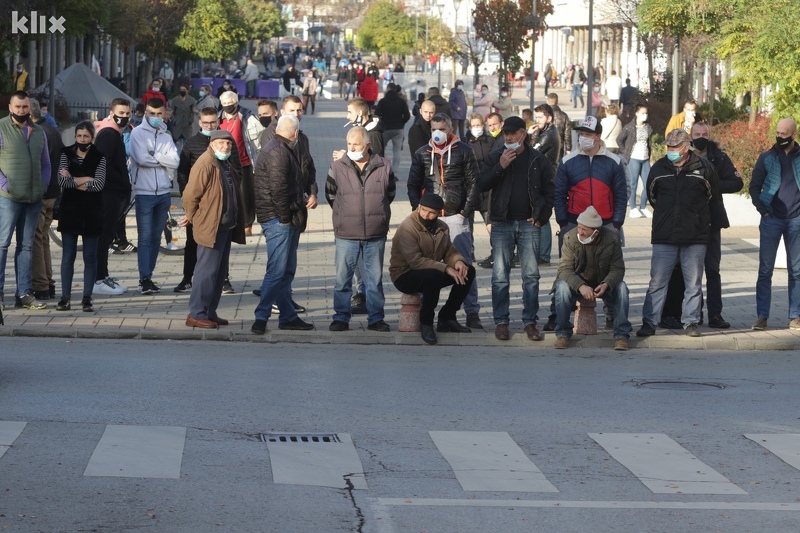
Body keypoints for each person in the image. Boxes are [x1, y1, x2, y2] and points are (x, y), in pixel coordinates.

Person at [636, 129, 722, 338]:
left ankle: (691, 322)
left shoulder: (704, 168)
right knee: (657, 282)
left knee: (693, 283)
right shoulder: (659, 168)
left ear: (686, 147)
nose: (670, 150)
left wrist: (696, 219)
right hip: (664, 236)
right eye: (668, 147)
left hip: (695, 237)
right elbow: (652, 196)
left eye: (674, 147)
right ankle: (649, 322)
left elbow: (712, 198)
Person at [659, 122, 743, 330]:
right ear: (690, 137)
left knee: (712, 269)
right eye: (697, 134)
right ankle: (677, 314)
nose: (701, 137)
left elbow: (736, 183)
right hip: (685, 223)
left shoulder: (719, 158)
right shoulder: (680, 156)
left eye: (705, 134)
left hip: (711, 221)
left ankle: (715, 314)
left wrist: (708, 183)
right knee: (683, 270)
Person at [478, 116, 555, 342]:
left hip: (529, 224)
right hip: (502, 223)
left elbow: (549, 191)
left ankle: (530, 322)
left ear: (523, 134)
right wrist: (500, 167)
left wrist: (541, 217)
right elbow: (482, 184)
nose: (509, 137)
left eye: (513, 133)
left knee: (531, 275)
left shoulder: (536, 159)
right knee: (500, 275)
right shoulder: (495, 156)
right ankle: (501, 322)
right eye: (506, 134)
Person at [408, 112, 482, 329]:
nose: (437, 133)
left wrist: (463, 212)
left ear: (451, 129)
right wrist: (418, 211)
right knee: (425, 265)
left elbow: (474, 184)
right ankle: (424, 312)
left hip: (455, 216)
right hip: (429, 219)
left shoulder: (464, 151)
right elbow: (412, 184)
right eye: (433, 129)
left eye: (442, 128)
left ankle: (471, 311)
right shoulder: (422, 153)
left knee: (464, 265)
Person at [325, 126, 396, 332]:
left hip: (375, 232)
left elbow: (389, 194)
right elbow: (331, 195)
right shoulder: (337, 166)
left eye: (356, 144)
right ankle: (340, 317)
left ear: (368, 144)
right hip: (346, 233)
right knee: (342, 280)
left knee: (374, 281)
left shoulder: (384, 166)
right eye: (349, 144)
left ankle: (376, 319)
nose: (352, 147)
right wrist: (345, 214)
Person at [254, 95, 318, 312]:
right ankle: (266, 309)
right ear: (281, 112)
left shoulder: (301, 138)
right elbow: (278, 187)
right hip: (280, 214)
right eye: (292, 110)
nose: (297, 114)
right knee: (278, 267)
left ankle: (285, 305)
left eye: (299, 110)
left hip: (294, 210)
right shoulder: (274, 139)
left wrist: (312, 192)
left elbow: (309, 167)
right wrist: (284, 218)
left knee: (287, 266)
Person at [390, 193, 476, 345]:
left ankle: (447, 317)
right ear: (418, 207)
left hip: (431, 271)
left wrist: (457, 262)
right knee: (434, 276)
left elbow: (449, 250)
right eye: (423, 210)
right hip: (404, 274)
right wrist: (446, 268)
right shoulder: (407, 228)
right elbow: (415, 261)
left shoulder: (442, 227)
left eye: (431, 212)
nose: (426, 215)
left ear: (439, 213)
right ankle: (426, 322)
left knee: (468, 271)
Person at [180, 130, 246, 328]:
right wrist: (191, 216)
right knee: (206, 272)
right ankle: (197, 313)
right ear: (211, 144)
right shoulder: (205, 163)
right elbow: (191, 194)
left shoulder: (223, 163)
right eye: (221, 143)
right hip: (211, 225)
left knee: (218, 272)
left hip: (225, 225)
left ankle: (209, 311)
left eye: (229, 144)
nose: (226, 147)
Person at [552, 206, 631, 350]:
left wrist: (607, 283)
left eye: (584, 230)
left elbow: (618, 269)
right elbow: (564, 269)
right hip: (578, 282)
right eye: (579, 227)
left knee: (622, 288)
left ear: (595, 232)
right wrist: (581, 286)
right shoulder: (570, 237)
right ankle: (563, 333)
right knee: (562, 287)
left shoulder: (612, 239)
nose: (580, 232)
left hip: (602, 281)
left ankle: (621, 335)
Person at [0, 91, 51, 311]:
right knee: (2, 245)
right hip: (9, 199)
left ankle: (24, 293)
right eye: (18, 107)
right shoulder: (1, 128)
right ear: (10, 107)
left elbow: (46, 163)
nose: (21, 111)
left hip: (33, 199)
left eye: (25, 107)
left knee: (26, 247)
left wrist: (43, 186)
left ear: (30, 108)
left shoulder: (39, 131)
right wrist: (4, 185)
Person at [749, 118, 800, 331]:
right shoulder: (767, 157)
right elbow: (754, 186)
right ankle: (762, 316)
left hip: (796, 219)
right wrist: (763, 209)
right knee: (765, 270)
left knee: (796, 271)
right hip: (771, 219)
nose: (779, 137)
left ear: (794, 135)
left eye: (784, 134)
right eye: (777, 133)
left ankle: (795, 316)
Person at [54, 121, 107, 313]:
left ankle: (87, 297)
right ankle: (65, 297)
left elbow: (99, 184)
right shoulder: (66, 154)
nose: (82, 140)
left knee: (90, 257)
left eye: (86, 136)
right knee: (68, 255)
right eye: (79, 136)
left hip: (92, 212)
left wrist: (74, 179)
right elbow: (62, 181)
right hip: (70, 210)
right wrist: (86, 180)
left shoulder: (99, 157)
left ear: (92, 138)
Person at [129, 98, 180, 294]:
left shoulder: (166, 135)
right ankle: (143, 278)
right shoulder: (137, 133)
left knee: (156, 238)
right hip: (144, 192)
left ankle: (149, 275)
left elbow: (175, 161)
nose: (156, 117)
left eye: (160, 114)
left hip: (164, 193)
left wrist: (155, 156)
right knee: (145, 237)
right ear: (146, 113)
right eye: (152, 113)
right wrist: (162, 158)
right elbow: (140, 159)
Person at [92, 98, 134, 296]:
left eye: (127, 113)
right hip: (107, 193)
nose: (124, 117)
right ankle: (98, 278)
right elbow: (104, 165)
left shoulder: (114, 132)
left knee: (107, 235)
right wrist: (121, 181)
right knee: (104, 236)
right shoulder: (108, 133)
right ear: (111, 112)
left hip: (112, 192)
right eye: (121, 113)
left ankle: (102, 275)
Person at [29, 98, 63, 301]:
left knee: (36, 239)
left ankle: (41, 285)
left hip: (43, 193)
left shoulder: (40, 133)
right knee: (43, 239)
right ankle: (48, 283)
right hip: (52, 192)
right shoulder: (51, 130)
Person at [219, 90, 264, 239]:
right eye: (224, 104)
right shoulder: (219, 118)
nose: (227, 106)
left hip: (244, 163)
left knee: (246, 195)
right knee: (227, 194)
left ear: (236, 103)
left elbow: (259, 138)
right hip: (224, 163)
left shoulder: (246, 117)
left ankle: (247, 224)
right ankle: (229, 223)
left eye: (229, 103)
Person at [529, 104, 562, 267]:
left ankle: (543, 254)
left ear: (549, 118)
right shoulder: (547, 132)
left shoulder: (549, 134)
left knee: (544, 215)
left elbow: (532, 151)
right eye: (536, 117)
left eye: (540, 117)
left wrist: (528, 136)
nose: (537, 120)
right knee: (541, 213)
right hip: (544, 177)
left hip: (546, 178)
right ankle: (541, 253)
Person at [467, 113, 499, 270]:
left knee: (490, 223)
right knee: (468, 225)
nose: (476, 128)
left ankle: (496, 253)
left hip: (487, 189)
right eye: (473, 125)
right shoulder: (465, 143)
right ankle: (469, 252)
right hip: (471, 190)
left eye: (478, 125)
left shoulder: (490, 141)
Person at [617, 104, 653, 218]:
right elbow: (619, 139)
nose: (645, 115)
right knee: (633, 183)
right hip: (634, 158)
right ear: (636, 113)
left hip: (645, 158)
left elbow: (649, 143)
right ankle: (633, 208)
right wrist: (626, 152)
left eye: (646, 113)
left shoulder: (648, 127)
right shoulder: (629, 127)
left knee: (649, 183)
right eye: (642, 113)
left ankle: (643, 207)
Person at [375, 83, 411, 173]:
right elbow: (407, 115)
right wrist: (401, 123)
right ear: (395, 90)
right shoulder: (401, 101)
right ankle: (394, 172)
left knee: (382, 148)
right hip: (398, 129)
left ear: (387, 89)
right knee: (397, 151)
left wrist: (381, 124)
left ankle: (383, 169)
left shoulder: (383, 101)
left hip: (385, 129)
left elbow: (376, 115)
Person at [169, 83, 196, 153]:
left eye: (184, 89)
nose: (182, 91)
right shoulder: (175, 100)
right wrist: (174, 120)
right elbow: (171, 112)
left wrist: (190, 120)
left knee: (186, 144)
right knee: (177, 144)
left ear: (187, 91)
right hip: (177, 124)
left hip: (187, 124)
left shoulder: (191, 100)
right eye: (181, 89)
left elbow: (193, 111)